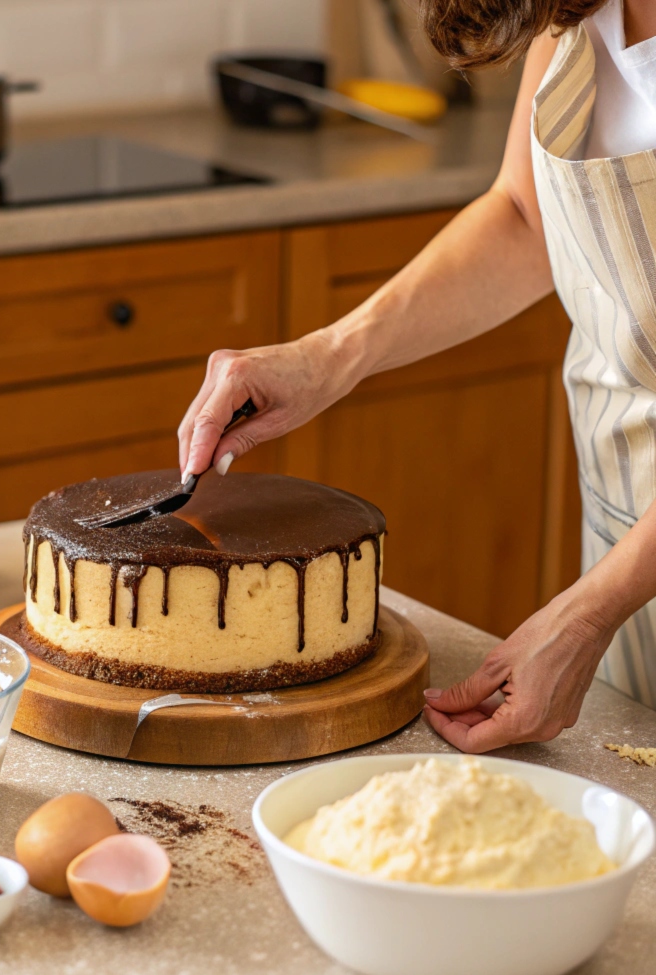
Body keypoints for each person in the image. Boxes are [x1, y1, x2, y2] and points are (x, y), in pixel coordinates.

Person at [177, 0, 656, 753]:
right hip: (628, 529)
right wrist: (329, 355)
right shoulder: (577, 13)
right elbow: (526, 218)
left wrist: (590, 613)